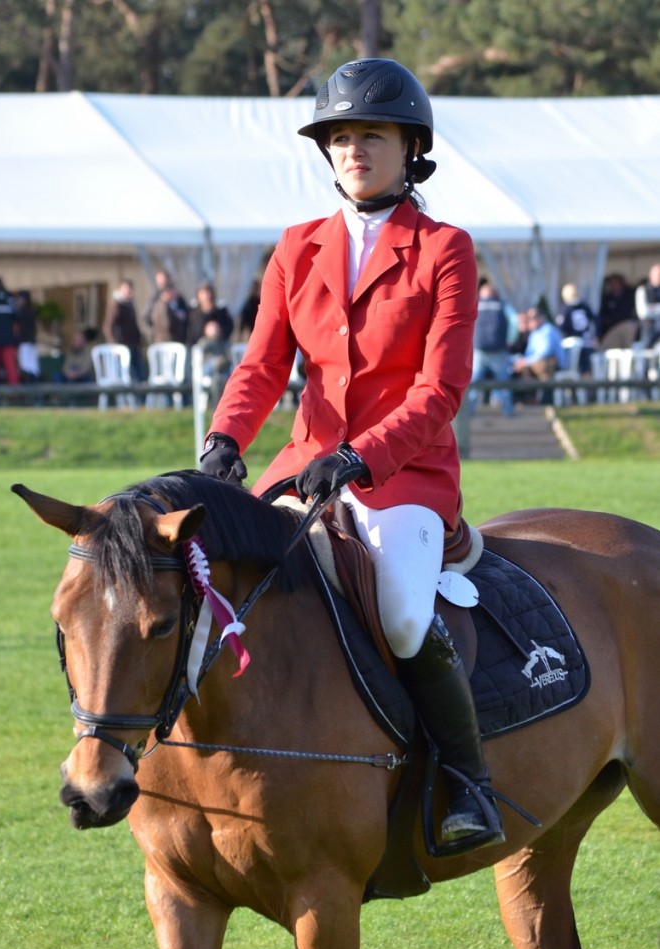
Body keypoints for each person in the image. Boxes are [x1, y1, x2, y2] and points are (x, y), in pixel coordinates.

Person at [198, 57, 504, 854]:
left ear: (410, 148)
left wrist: (363, 457)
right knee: (212, 575)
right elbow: (262, 366)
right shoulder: (297, 248)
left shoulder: (445, 249)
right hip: (302, 465)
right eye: (338, 137)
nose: (352, 149)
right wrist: (226, 437)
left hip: (403, 478)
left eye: (370, 134)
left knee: (402, 612)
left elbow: (439, 390)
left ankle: (465, 781)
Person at [469, 281, 514, 417]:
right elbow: (515, 321)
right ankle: (507, 410)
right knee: (503, 380)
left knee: (475, 380)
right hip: (499, 349)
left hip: (479, 349)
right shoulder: (502, 304)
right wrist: (510, 340)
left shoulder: (475, 304)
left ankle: (469, 411)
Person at [511, 307, 565, 399]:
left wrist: (526, 362)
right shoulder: (534, 333)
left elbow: (544, 352)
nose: (530, 321)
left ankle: (547, 397)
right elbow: (529, 353)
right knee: (523, 368)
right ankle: (529, 398)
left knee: (540, 365)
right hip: (538, 362)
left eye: (533, 318)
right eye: (529, 318)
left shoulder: (548, 330)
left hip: (554, 364)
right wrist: (523, 362)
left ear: (542, 318)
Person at [102, 278, 145, 382]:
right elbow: (108, 327)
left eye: (130, 289)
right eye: (126, 289)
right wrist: (114, 345)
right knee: (126, 375)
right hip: (122, 345)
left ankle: (139, 397)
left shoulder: (130, 304)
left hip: (133, 344)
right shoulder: (116, 305)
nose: (129, 291)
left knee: (139, 375)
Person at [555, 283, 597, 374]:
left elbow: (561, 325)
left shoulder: (566, 308)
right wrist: (595, 336)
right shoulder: (585, 306)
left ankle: (582, 384)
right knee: (586, 367)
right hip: (586, 341)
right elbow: (595, 320)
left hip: (575, 343)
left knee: (575, 366)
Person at [144, 272, 189, 344]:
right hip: (163, 339)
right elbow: (147, 317)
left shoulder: (179, 299)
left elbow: (186, 313)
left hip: (179, 338)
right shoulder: (156, 301)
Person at [187, 281, 234, 349]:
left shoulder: (221, 309)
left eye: (208, 293)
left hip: (220, 342)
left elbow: (229, 326)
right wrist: (206, 330)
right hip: (199, 344)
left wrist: (218, 330)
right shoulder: (193, 311)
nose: (206, 296)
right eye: (203, 293)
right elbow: (191, 332)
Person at [15, 289, 41, 383]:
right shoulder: (31, 311)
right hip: (31, 343)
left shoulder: (22, 313)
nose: (18, 301)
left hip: (25, 343)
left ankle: (33, 392)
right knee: (33, 369)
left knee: (27, 369)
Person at [634, 263, 660, 348]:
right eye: (657, 274)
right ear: (651, 275)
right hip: (648, 329)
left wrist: (653, 308)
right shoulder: (643, 290)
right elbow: (643, 312)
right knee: (646, 352)